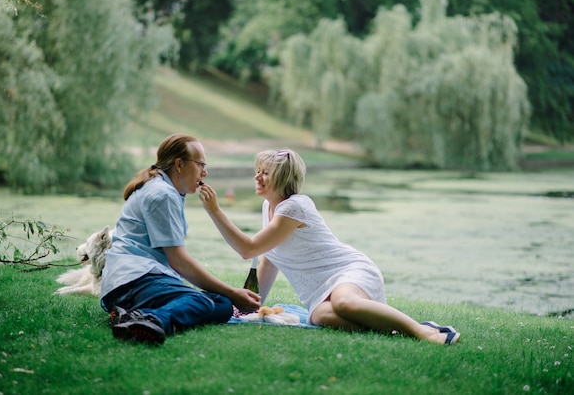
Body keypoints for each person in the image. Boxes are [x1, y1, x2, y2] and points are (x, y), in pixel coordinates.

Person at [199, 149, 460, 345]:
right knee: (321, 317)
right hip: (319, 292)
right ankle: (392, 329)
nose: (257, 177)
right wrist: (254, 306)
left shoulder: (295, 206)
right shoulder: (269, 207)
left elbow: (249, 249)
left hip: (349, 272)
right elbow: (271, 256)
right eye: (257, 170)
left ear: (282, 178)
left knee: (345, 302)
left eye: (265, 173)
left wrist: (215, 210)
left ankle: (423, 332)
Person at [99, 134, 260, 345]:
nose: (205, 172)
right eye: (200, 164)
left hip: (129, 284)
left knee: (221, 303)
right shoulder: (162, 194)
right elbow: (179, 261)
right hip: (134, 282)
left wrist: (229, 295)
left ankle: (130, 314)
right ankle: (151, 319)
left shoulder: (164, 189)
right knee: (204, 300)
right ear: (179, 165)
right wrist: (233, 292)